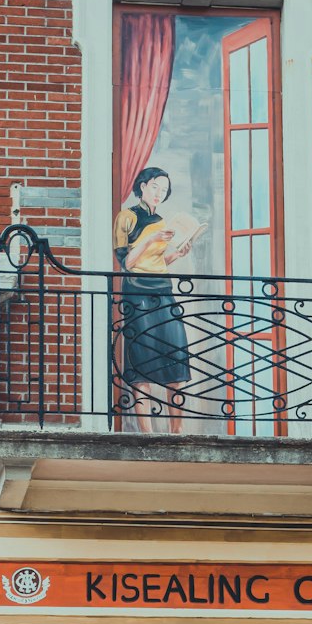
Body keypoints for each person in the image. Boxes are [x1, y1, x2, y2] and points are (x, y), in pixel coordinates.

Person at [114, 167, 195, 433]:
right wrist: (150, 238)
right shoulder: (127, 217)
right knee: (142, 356)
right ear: (143, 186)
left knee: (175, 354)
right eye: (155, 187)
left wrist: (178, 254)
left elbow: (158, 261)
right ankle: (147, 433)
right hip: (137, 292)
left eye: (164, 189)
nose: (160, 193)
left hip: (163, 289)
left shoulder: (162, 221)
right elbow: (128, 262)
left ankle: (176, 430)